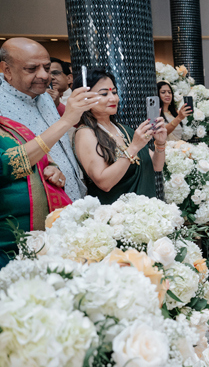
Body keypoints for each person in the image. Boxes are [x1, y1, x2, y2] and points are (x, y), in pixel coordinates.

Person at [0, 86, 100, 265]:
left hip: (43, 242)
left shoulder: (10, 126)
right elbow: (9, 164)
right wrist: (67, 120)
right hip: (9, 246)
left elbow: (38, 156)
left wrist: (51, 167)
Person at [0, 38, 86, 200]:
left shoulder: (45, 96)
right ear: (7, 70)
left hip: (71, 200)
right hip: (33, 209)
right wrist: (66, 120)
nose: (44, 75)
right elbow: (9, 163)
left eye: (47, 68)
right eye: (31, 69)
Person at [73, 69, 167, 204]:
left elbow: (157, 166)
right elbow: (104, 183)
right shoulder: (86, 133)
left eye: (114, 92)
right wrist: (134, 147)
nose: (113, 98)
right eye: (104, 94)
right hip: (116, 216)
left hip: (143, 212)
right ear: (85, 98)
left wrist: (160, 143)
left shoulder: (123, 129)